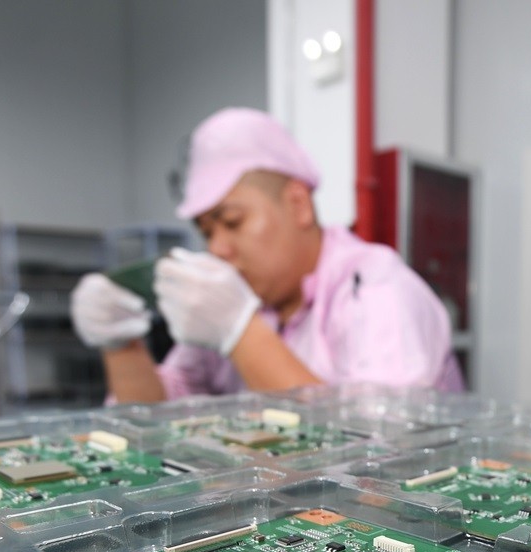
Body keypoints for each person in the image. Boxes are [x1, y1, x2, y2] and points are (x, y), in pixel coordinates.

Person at [71, 107, 463, 402]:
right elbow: (161, 418)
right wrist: (120, 343)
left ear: (298, 205)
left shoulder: (376, 287)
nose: (217, 248)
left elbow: (384, 444)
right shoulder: (235, 301)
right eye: (206, 232)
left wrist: (242, 334)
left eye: (232, 221)